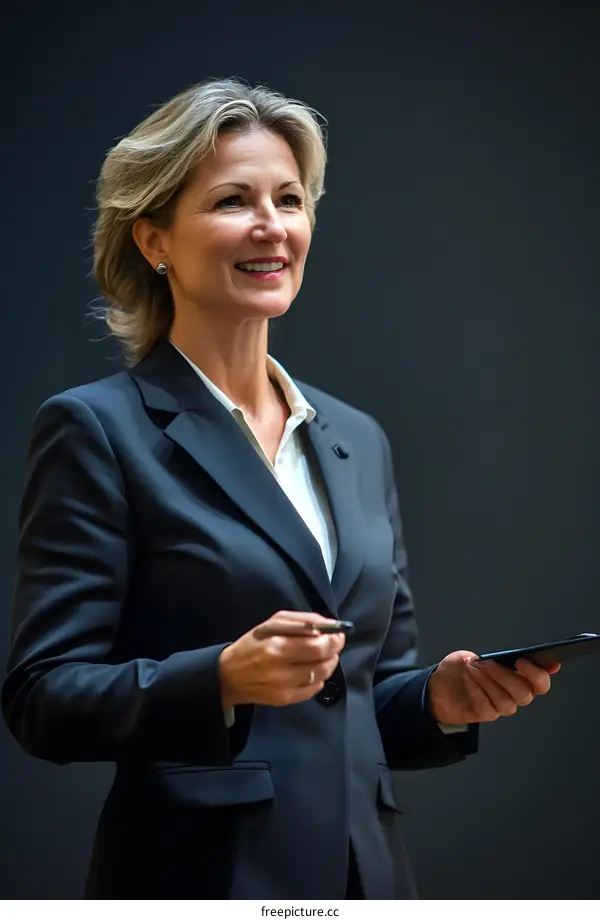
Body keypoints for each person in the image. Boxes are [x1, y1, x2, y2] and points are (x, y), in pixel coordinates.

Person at [1, 77, 560, 900]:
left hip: (365, 876)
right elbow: (41, 697)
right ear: (155, 239)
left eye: (290, 199)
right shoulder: (96, 430)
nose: (273, 226)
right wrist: (220, 676)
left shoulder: (356, 438)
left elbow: (366, 692)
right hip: (198, 877)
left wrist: (441, 698)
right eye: (233, 200)